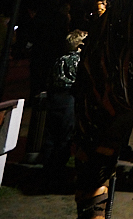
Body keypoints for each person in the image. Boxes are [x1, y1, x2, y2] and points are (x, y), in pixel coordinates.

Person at [39, 29, 86, 190]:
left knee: (51, 134)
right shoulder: (78, 60)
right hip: (69, 98)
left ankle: (47, 170)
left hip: (55, 97)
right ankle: (58, 171)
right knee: (65, 136)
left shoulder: (60, 59)